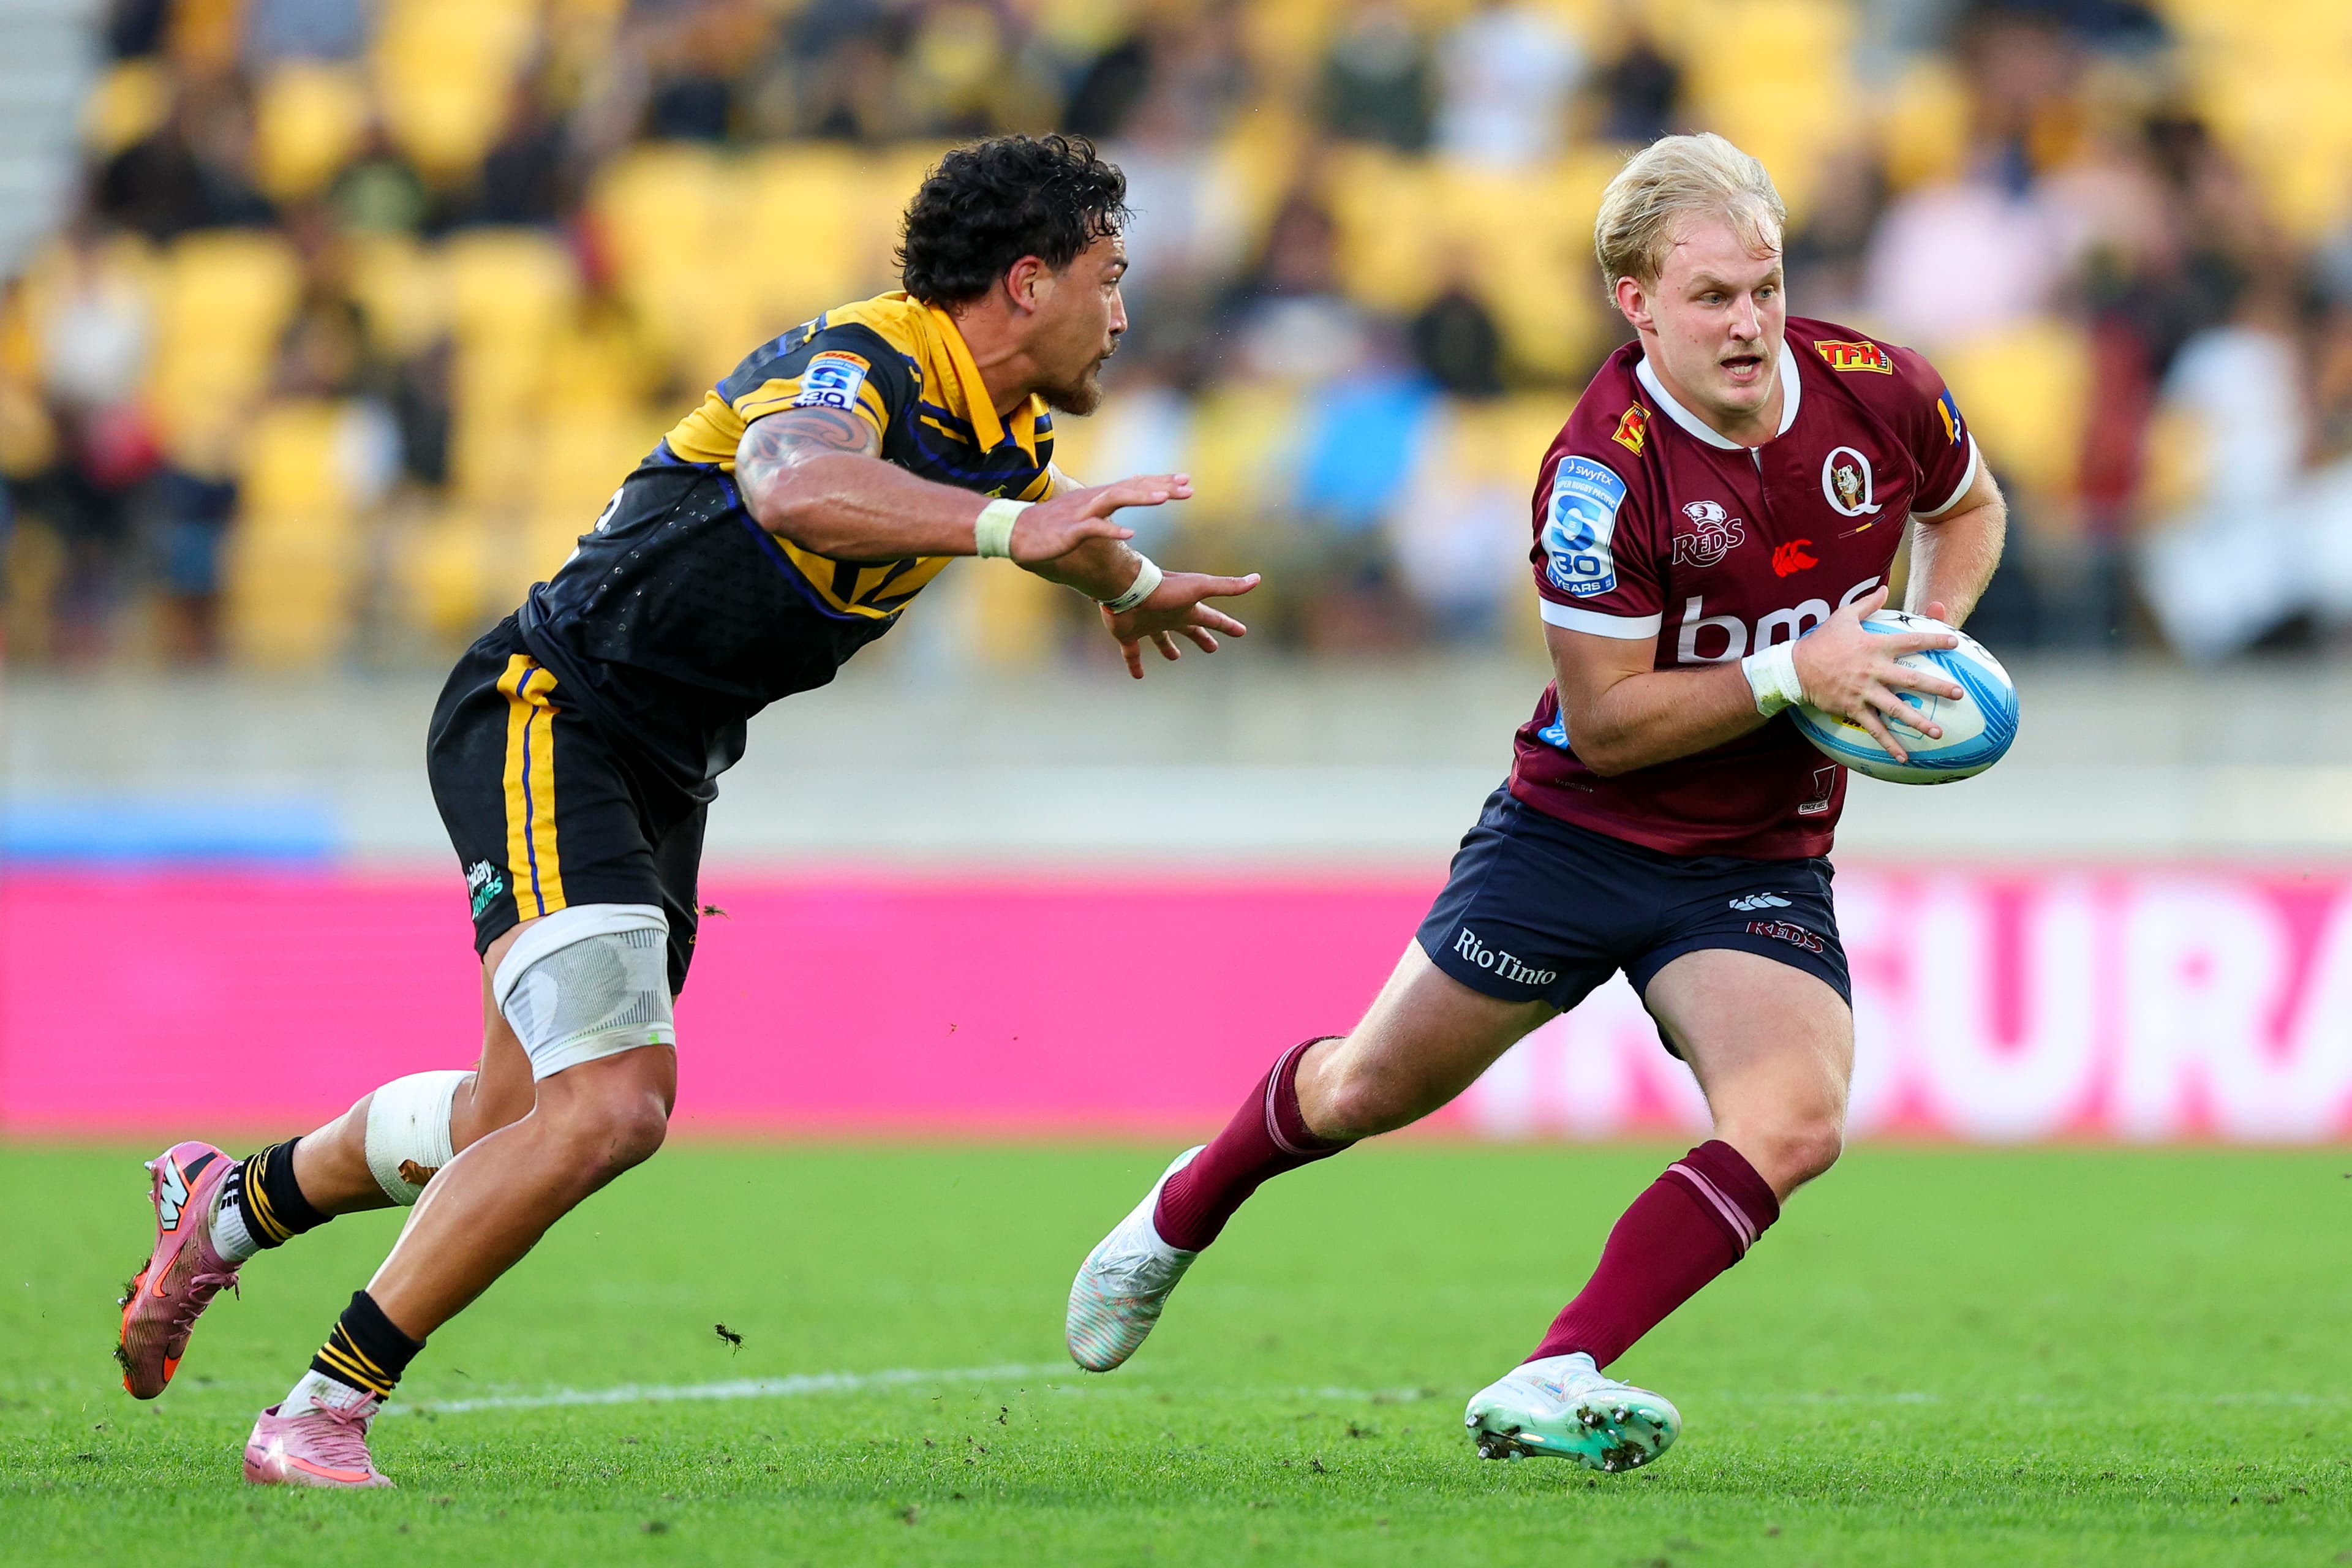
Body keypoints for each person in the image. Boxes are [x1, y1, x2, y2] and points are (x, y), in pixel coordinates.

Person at [116, 134, 1259, 1488]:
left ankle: (226, 1205)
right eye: (1109, 277)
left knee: (510, 1116)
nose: (1125, 313)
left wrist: (1126, 586)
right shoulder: (864, 361)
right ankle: (318, 1409)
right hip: (551, 712)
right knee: (614, 1105)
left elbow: (1030, 512)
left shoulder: (999, 432)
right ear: (1026, 280)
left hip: (662, 763)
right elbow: (795, 484)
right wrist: (1021, 536)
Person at [1065, 132, 2007, 1474]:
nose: (1751, 324)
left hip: (1754, 852)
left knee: (1796, 1118)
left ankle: (1558, 1366)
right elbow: (1616, 726)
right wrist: (1804, 666)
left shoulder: (1877, 386)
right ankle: (1181, 1208)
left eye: (1766, 287)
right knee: (1363, 1087)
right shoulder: (1599, 474)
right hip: (1579, 834)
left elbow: (1970, 506)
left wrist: (1924, 634)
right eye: (1712, 299)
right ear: (1637, 303)